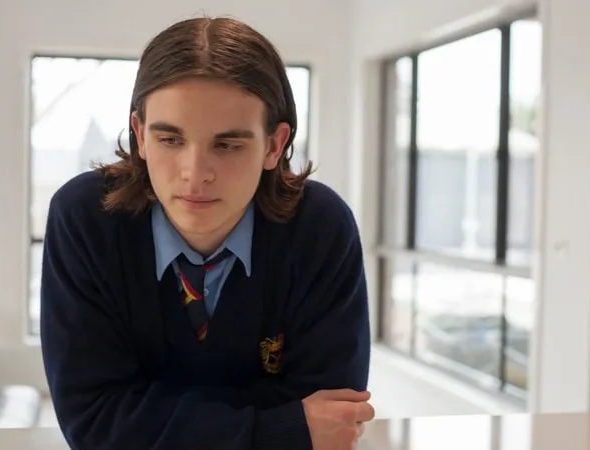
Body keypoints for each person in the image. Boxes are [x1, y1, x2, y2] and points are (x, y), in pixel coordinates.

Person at [39, 15, 374, 450]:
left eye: (228, 145)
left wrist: (151, 415)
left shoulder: (321, 228)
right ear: (140, 136)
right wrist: (281, 428)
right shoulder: (84, 218)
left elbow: (335, 415)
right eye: (170, 140)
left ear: (274, 145)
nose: (195, 175)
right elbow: (95, 421)